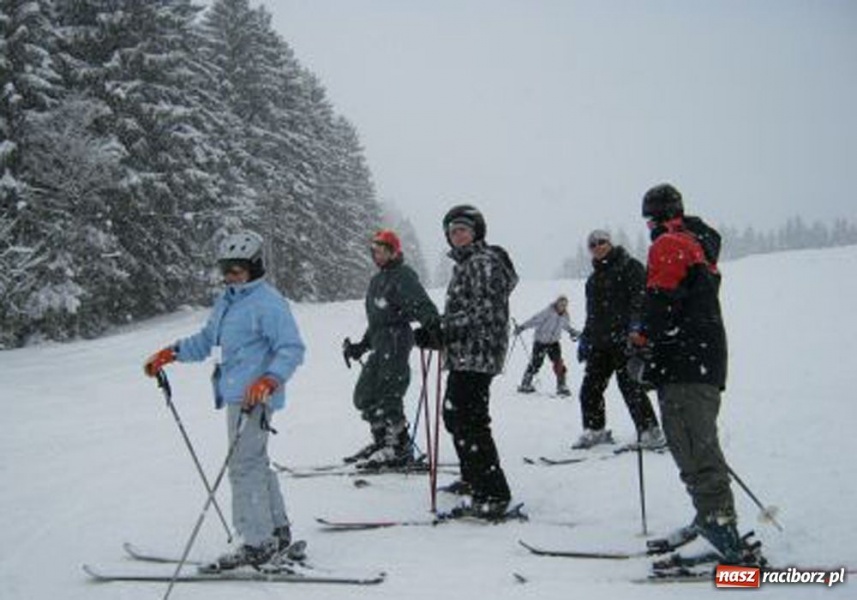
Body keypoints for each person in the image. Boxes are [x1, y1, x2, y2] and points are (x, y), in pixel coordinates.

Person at [143, 231, 305, 571]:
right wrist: (171, 353)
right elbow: (206, 341)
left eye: (238, 269)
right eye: (226, 268)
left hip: (255, 396)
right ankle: (276, 531)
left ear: (255, 267)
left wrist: (269, 379)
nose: (230, 275)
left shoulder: (267, 302)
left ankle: (258, 543)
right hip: (235, 393)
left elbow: (291, 348)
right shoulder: (229, 301)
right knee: (255, 461)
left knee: (244, 466)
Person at [630, 183, 757, 564]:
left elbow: (660, 303)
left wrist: (640, 341)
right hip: (699, 360)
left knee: (693, 447)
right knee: (697, 444)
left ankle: (722, 534)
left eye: (649, 217)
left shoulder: (670, 244)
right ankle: (710, 518)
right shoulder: (696, 242)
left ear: (656, 216)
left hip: (685, 363)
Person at [415, 205, 518, 519]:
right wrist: (439, 333)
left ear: (476, 232)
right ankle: (474, 478)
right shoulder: (468, 264)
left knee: (470, 420)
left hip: (479, 353)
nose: (457, 235)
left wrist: (443, 329)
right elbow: (469, 312)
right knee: (455, 415)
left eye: (462, 229)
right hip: (465, 353)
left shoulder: (483, 263)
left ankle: (494, 493)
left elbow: (484, 312)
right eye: (452, 231)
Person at [342, 229, 440, 467]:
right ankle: (382, 441)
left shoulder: (402, 275)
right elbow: (377, 319)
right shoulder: (378, 279)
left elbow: (422, 305)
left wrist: (434, 327)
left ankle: (399, 448)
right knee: (364, 396)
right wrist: (361, 346)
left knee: (389, 395)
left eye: (383, 250)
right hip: (380, 341)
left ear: (394, 252)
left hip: (396, 340)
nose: (378, 255)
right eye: (375, 251)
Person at [573, 229, 665, 450]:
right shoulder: (593, 280)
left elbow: (640, 299)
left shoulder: (630, 267)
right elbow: (592, 313)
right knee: (590, 388)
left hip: (625, 339)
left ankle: (650, 431)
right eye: (592, 244)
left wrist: (636, 327)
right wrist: (586, 338)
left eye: (601, 242)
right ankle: (595, 430)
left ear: (610, 243)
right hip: (600, 342)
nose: (597, 247)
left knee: (631, 386)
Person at [514, 295, 580, 396]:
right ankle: (525, 384)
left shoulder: (565, 315)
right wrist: (522, 327)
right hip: (540, 342)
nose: (562, 306)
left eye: (564, 305)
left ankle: (561, 386)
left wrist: (573, 332)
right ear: (556, 303)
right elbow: (534, 320)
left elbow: (566, 326)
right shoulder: (547, 312)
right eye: (561, 304)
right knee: (536, 363)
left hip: (554, 343)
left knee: (559, 363)